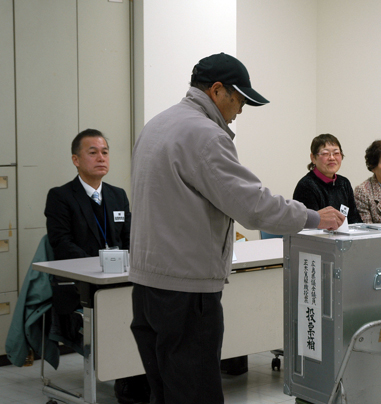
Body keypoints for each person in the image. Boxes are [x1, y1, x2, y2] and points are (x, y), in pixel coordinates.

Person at [129, 52, 344, 404]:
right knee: (196, 394)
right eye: (240, 99)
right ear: (217, 90)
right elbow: (253, 206)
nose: (241, 109)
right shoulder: (205, 135)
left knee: (165, 391)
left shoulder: (157, 125)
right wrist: (312, 217)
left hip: (148, 286)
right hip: (187, 291)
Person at [44, 129, 149, 404]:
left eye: (104, 152)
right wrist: (101, 266)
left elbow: (129, 239)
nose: (101, 157)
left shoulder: (117, 195)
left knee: (150, 306)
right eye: (93, 152)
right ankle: (128, 380)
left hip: (122, 279)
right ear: (76, 160)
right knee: (121, 310)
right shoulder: (61, 196)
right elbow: (61, 243)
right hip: (81, 284)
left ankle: (138, 375)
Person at [293, 133, 362, 224]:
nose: (332, 158)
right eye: (325, 154)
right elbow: (309, 225)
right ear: (313, 158)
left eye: (336, 153)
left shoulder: (344, 183)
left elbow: (354, 220)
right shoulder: (306, 185)